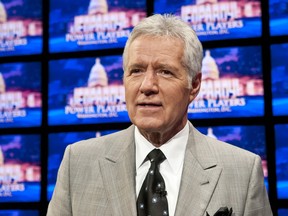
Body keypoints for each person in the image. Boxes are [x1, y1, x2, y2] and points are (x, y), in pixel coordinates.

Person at [46, 14, 272, 216]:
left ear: (194, 85)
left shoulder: (242, 171)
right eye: (136, 71)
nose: (147, 86)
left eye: (165, 71)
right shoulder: (77, 163)